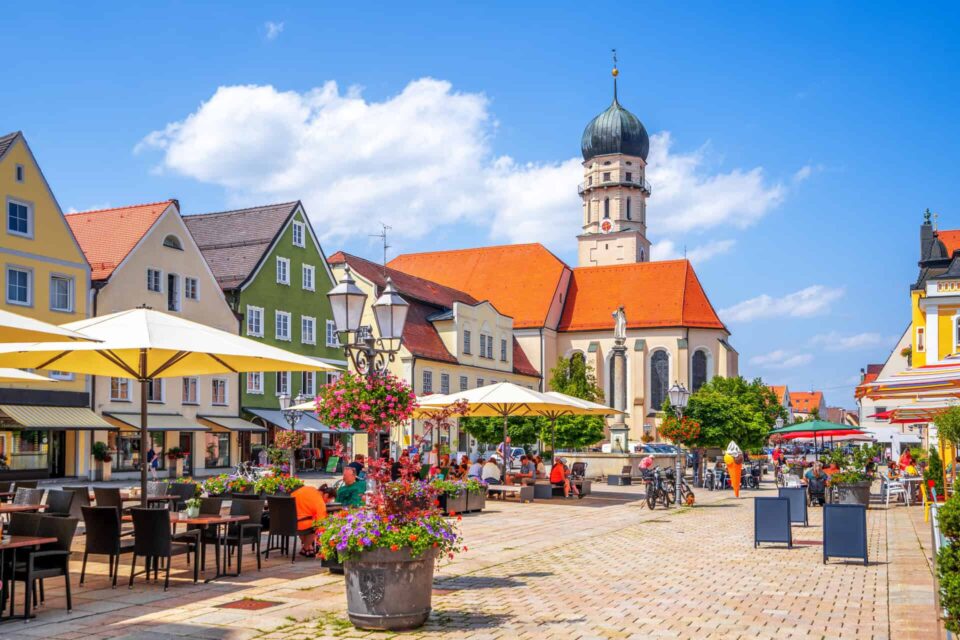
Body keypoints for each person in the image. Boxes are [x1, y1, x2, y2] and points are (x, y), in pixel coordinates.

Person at [290, 484, 333, 556]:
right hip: (302, 524)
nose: (328, 502)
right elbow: (321, 522)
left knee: (307, 523)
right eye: (329, 500)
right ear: (326, 495)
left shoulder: (310, 489)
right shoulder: (320, 501)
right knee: (314, 527)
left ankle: (308, 547)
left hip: (290, 522)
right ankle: (306, 547)